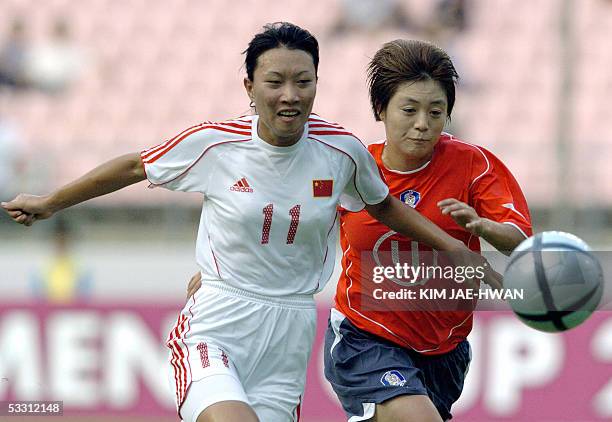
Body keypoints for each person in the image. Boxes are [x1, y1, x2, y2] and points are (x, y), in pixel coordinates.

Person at [2, 24, 498, 422]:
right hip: (218, 321)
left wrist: (452, 249)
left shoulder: (341, 152)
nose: (290, 95)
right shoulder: (216, 143)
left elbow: (383, 205)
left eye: (303, 82)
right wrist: (51, 202)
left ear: (317, 85)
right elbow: (136, 166)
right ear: (249, 86)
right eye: (275, 82)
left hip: (289, 330)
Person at [323, 40, 532, 422]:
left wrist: (485, 227)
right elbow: (294, 224)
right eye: (409, 110)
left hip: (445, 350)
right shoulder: (352, 170)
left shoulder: (474, 165)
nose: (423, 124)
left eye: (436, 112)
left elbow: (519, 241)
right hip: (366, 336)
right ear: (380, 109)